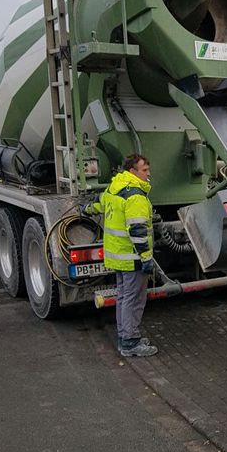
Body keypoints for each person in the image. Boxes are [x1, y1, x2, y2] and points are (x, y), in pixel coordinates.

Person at [84, 153, 158, 357]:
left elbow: (100, 205)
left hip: (117, 256)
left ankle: (126, 335)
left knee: (124, 298)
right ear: (133, 171)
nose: (148, 173)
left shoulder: (114, 187)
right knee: (134, 300)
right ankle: (130, 343)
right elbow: (138, 231)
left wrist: (87, 209)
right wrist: (146, 258)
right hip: (132, 258)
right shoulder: (135, 195)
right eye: (144, 170)